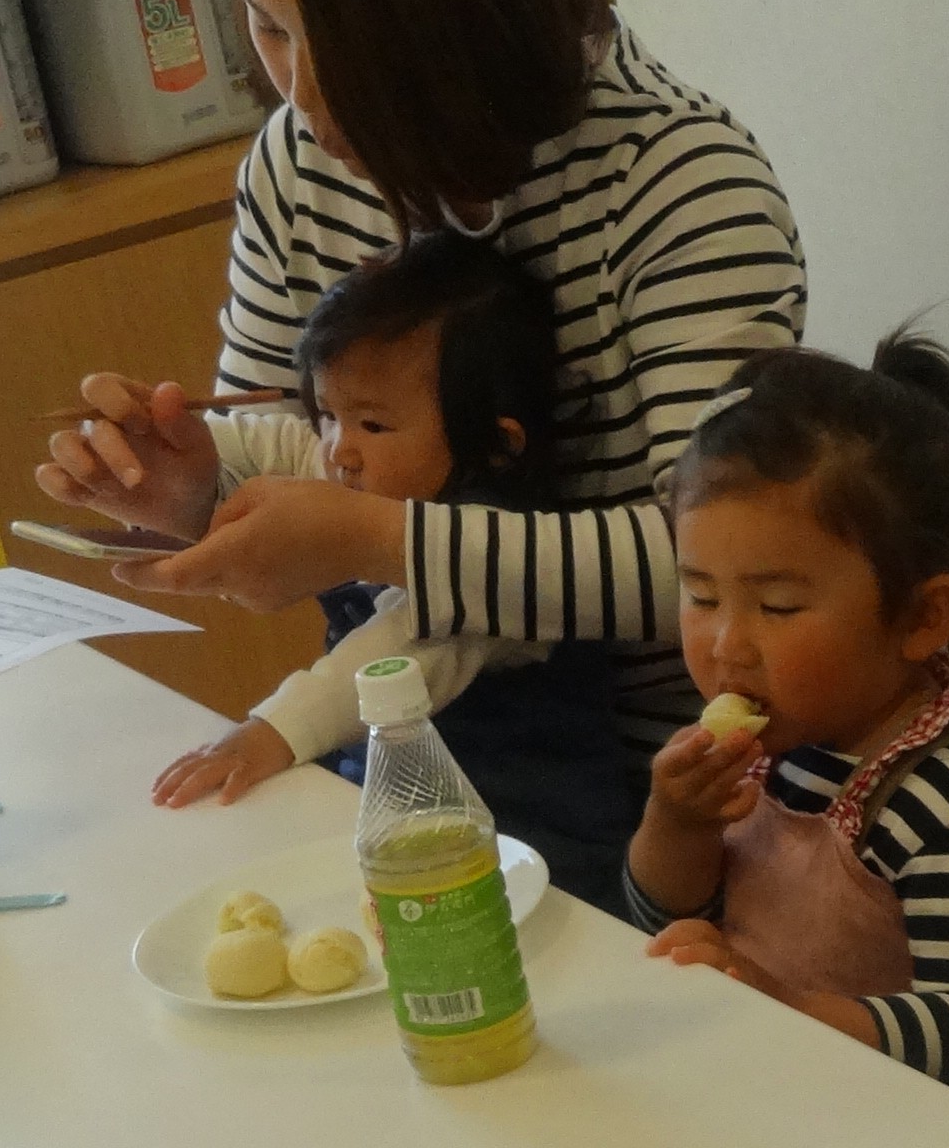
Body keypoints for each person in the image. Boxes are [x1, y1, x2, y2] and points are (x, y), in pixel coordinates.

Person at [35, 0, 802, 808]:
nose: (302, 97)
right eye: (269, 30)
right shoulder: (298, 167)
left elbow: (707, 565)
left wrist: (372, 535)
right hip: (411, 750)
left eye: (343, 44)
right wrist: (193, 487)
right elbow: (288, 452)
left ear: (472, 10)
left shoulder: (682, 182)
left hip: (672, 792)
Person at [145, 236, 647, 907]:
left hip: (542, 861)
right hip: (415, 830)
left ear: (494, 446)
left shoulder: (499, 555)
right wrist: (172, 445)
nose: (339, 451)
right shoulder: (377, 473)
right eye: (329, 415)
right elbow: (283, 446)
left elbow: (389, 660)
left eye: (372, 425)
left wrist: (270, 731)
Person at [628, 333, 949, 1089]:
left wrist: (788, 1010)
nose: (727, 644)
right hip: (761, 1096)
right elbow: (663, 924)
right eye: (699, 595)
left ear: (922, 618)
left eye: (777, 605)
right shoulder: (774, 750)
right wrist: (677, 824)